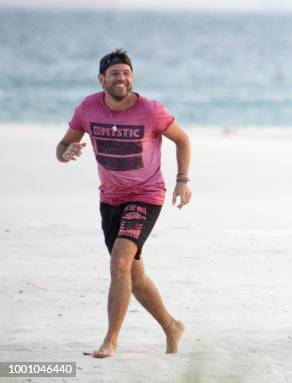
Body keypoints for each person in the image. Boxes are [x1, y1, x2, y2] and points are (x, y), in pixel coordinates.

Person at [56, 49, 191, 358]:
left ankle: (111, 341)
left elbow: (182, 139)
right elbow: (63, 145)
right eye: (115, 73)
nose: (122, 78)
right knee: (133, 274)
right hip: (110, 199)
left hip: (146, 195)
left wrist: (183, 180)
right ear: (102, 78)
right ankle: (171, 326)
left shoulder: (151, 110)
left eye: (127, 73)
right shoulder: (88, 108)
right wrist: (66, 153)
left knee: (119, 262)